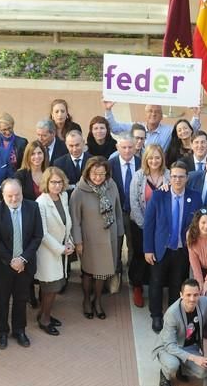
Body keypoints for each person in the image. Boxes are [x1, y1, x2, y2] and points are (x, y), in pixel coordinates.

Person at [143, 161, 202, 332]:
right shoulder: (158, 195)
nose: (177, 179)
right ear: (170, 177)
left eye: (181, 176)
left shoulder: (195, 197)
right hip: (161, 248)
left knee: (177, 284)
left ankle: (172, 315)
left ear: (187, 178)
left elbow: (197, 225)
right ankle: (156, 316)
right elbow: (149, 224)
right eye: (174, 176)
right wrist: (148, 249)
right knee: (156, 282)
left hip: (182, 250)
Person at [0, 179, 43, 349]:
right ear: (2, 195)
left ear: (22, 193)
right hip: (3, 265)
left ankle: (19, 330)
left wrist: (23, 259)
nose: (14, 198)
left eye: (17, 194)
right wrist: (11, 261)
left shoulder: (32, 207)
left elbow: (37, 236)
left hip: (25, 265)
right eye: (9, 195)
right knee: (2, 299)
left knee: (21, 298)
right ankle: (2, 331)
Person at [70, 156, 124, 320]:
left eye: (102, 174)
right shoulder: (79, 192)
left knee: (102, 273)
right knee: (88, 273)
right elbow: (75, 220)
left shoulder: (112, 185)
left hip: (109, 239)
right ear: (88, 172)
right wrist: (78, 242)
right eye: (94, 173)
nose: (98, 177)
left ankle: (98, 301)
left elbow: (118, 211)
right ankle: (87, 300)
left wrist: (120, 234)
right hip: (89, 240)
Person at [152, 279, 207, 386]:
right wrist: (195, 358)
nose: (192, 299)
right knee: (173, 365)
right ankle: (165, 374)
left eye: (195, 295)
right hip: (169, 347)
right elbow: (170, 345)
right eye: (188, 295)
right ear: (181, 295)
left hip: (189, 346)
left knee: (204, 371)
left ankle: (182, 370)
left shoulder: (205, 302)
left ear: (200, 294)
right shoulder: (172, 313)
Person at [129, 144, 170, 307]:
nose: (154, 161)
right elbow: (134, 203)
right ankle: (137, 286)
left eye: (157, 157)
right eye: (151, 157)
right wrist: (146, 227)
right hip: (141, 225)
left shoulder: (168, 176)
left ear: (162, 159)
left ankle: (157, 285)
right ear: (146, 159)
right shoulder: (138, 176)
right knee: (140, 256)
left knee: (159, 257)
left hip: (162, 227)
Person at [34, 167, 74, 336]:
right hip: (47, 252)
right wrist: (61, 249)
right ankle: (44, 320)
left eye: (59, 182)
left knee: (54, 286)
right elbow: (42, 233)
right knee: (50, 288)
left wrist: (69, 241)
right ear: (46, 183)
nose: (57, 186)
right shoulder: (41, 202)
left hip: (62, 249)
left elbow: (67, 223)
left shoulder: (63, 196)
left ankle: (44, 314)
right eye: (53, 182)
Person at [109, 134, 142, 295]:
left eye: (130, 147)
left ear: (135, 147)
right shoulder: (110, 165)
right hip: (117, 212)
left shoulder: (143, 164)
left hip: (136, 213)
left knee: (134, 246)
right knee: (116, 244)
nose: (127, 150)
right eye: (124, 147)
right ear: (117, 148)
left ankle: (133, 277)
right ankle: (116, 274)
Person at [104, 102, 201, 152]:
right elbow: (115, 128)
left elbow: (188, 132)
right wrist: (108, 110)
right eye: (150, 111)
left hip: (157, 168)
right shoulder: (136, 127)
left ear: (162, 116)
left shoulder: (168, 131)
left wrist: (196, 115)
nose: (153, 114)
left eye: (157, 112)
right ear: (145, 114)